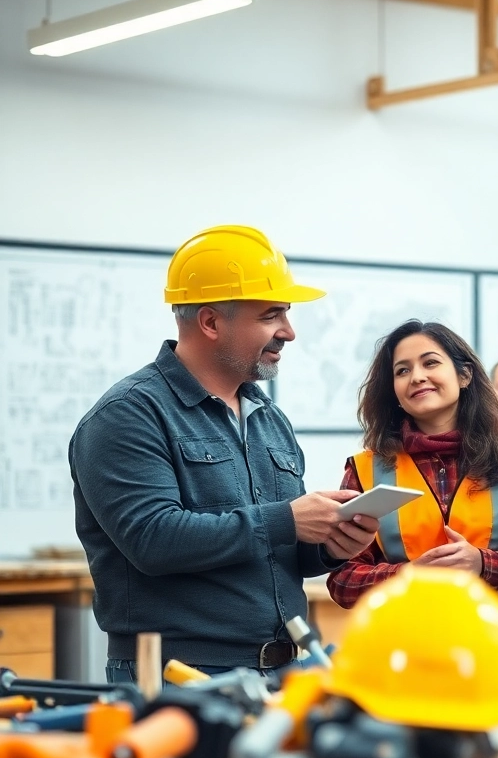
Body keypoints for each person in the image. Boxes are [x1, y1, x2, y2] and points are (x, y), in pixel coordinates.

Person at [69, 225, 377, 680]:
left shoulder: (269, 418)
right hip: (176, 677)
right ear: (211, 322)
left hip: (283, 672)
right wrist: (287, 518)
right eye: (272, 316)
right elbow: (153, 540)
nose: (289, 332)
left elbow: (277, 551)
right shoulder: (126, 417)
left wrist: (332, 546)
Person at [326, 320, 498, 623]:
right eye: (402, 370)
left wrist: (482, 563)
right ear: (394, 391)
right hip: (400, 651)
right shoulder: (365, 469)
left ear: (464, 375)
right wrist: (410, 575)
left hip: (495, 648)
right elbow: (342, 581)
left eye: (430, 363)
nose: (416, 377)